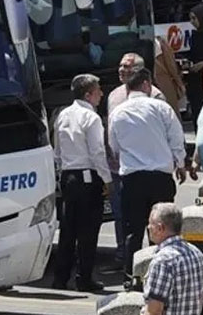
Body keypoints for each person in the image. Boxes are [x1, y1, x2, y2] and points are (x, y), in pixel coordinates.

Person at [109, 67, 188, 278]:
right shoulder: (161, 108)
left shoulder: (117, 112)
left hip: (132, 179)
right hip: (160, 178)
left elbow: (114, 146)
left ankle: (130, 275)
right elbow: (176, 137)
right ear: (146, 84)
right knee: (162, 229)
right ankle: (159, 273)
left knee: (132, 231)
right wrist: (180, 164)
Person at [52, 74, 111, 292]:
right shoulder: (91, 118)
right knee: (88, 231)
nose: (101, 94)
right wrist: (107, 179)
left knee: (68, 230)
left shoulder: (62, 115)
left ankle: (60, 278)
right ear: (88, 94)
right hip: (87, 176)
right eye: (98, 91)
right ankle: (84, 278)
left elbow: (57, 151)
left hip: (68, 176)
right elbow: (97, 151)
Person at [106, 52, 166, 263]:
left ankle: (153, 260)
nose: (123, 71)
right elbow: (111, 132)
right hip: (120, 168)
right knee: (123, 217)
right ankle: (124, 256)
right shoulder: (113, 95)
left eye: (128, 68)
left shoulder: (156, 96)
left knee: (152, 219)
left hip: (150, 169)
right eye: (121, 66)